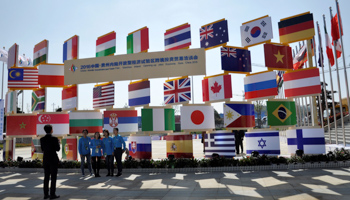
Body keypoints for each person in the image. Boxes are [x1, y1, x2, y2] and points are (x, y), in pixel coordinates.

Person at [40, 124, 60, 199]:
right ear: (51, 130)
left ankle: (45, 194)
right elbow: (57, 149)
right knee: (53, 178)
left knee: (46, 177)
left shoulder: (42, 139)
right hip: (53, 160)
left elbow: (42, 149)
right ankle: (52, 194)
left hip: (46, 160)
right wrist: (58, 143)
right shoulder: (54, 139)